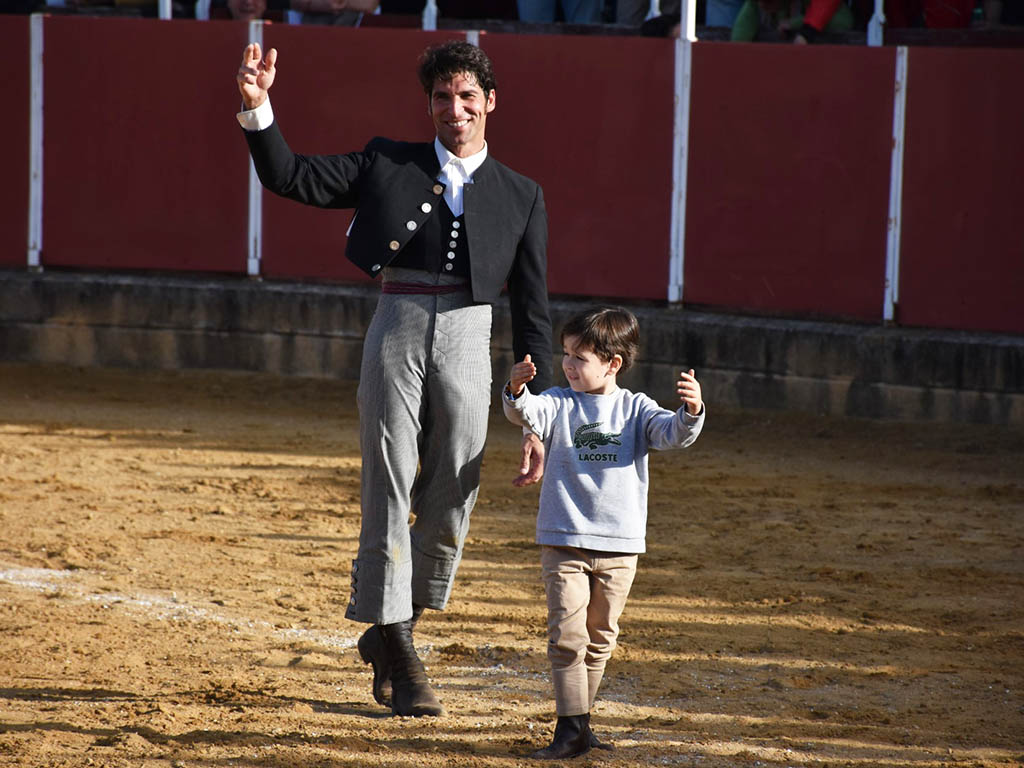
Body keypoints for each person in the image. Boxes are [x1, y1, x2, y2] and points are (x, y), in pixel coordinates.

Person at [235, 40, 553, 717]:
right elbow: (291, 176)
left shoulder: (521, 195)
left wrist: (538, 419)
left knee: (456, 482)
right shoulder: (388, 161)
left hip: (470, 334)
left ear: (490, 102)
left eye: (467, 97)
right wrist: (259, 109)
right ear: (429, 105)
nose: (455, 109)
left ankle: (392, 623)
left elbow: (533, 312)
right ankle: (401, 647)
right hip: (398, 322)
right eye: (442, 97)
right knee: (388, 475)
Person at [502, 306, 705, 759]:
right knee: (567, 637)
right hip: (564, 539)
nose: (568, 365)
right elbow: (526, 413)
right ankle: (571, 727)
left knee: (600, 638)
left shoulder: (636, 407)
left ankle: (580, 725)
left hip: (620, 545)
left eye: (580, 357)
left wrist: (692, 410)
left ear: (613, 363)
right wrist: (516, 390)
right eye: (565, 354)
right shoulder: (558, 401)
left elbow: (672, 434)